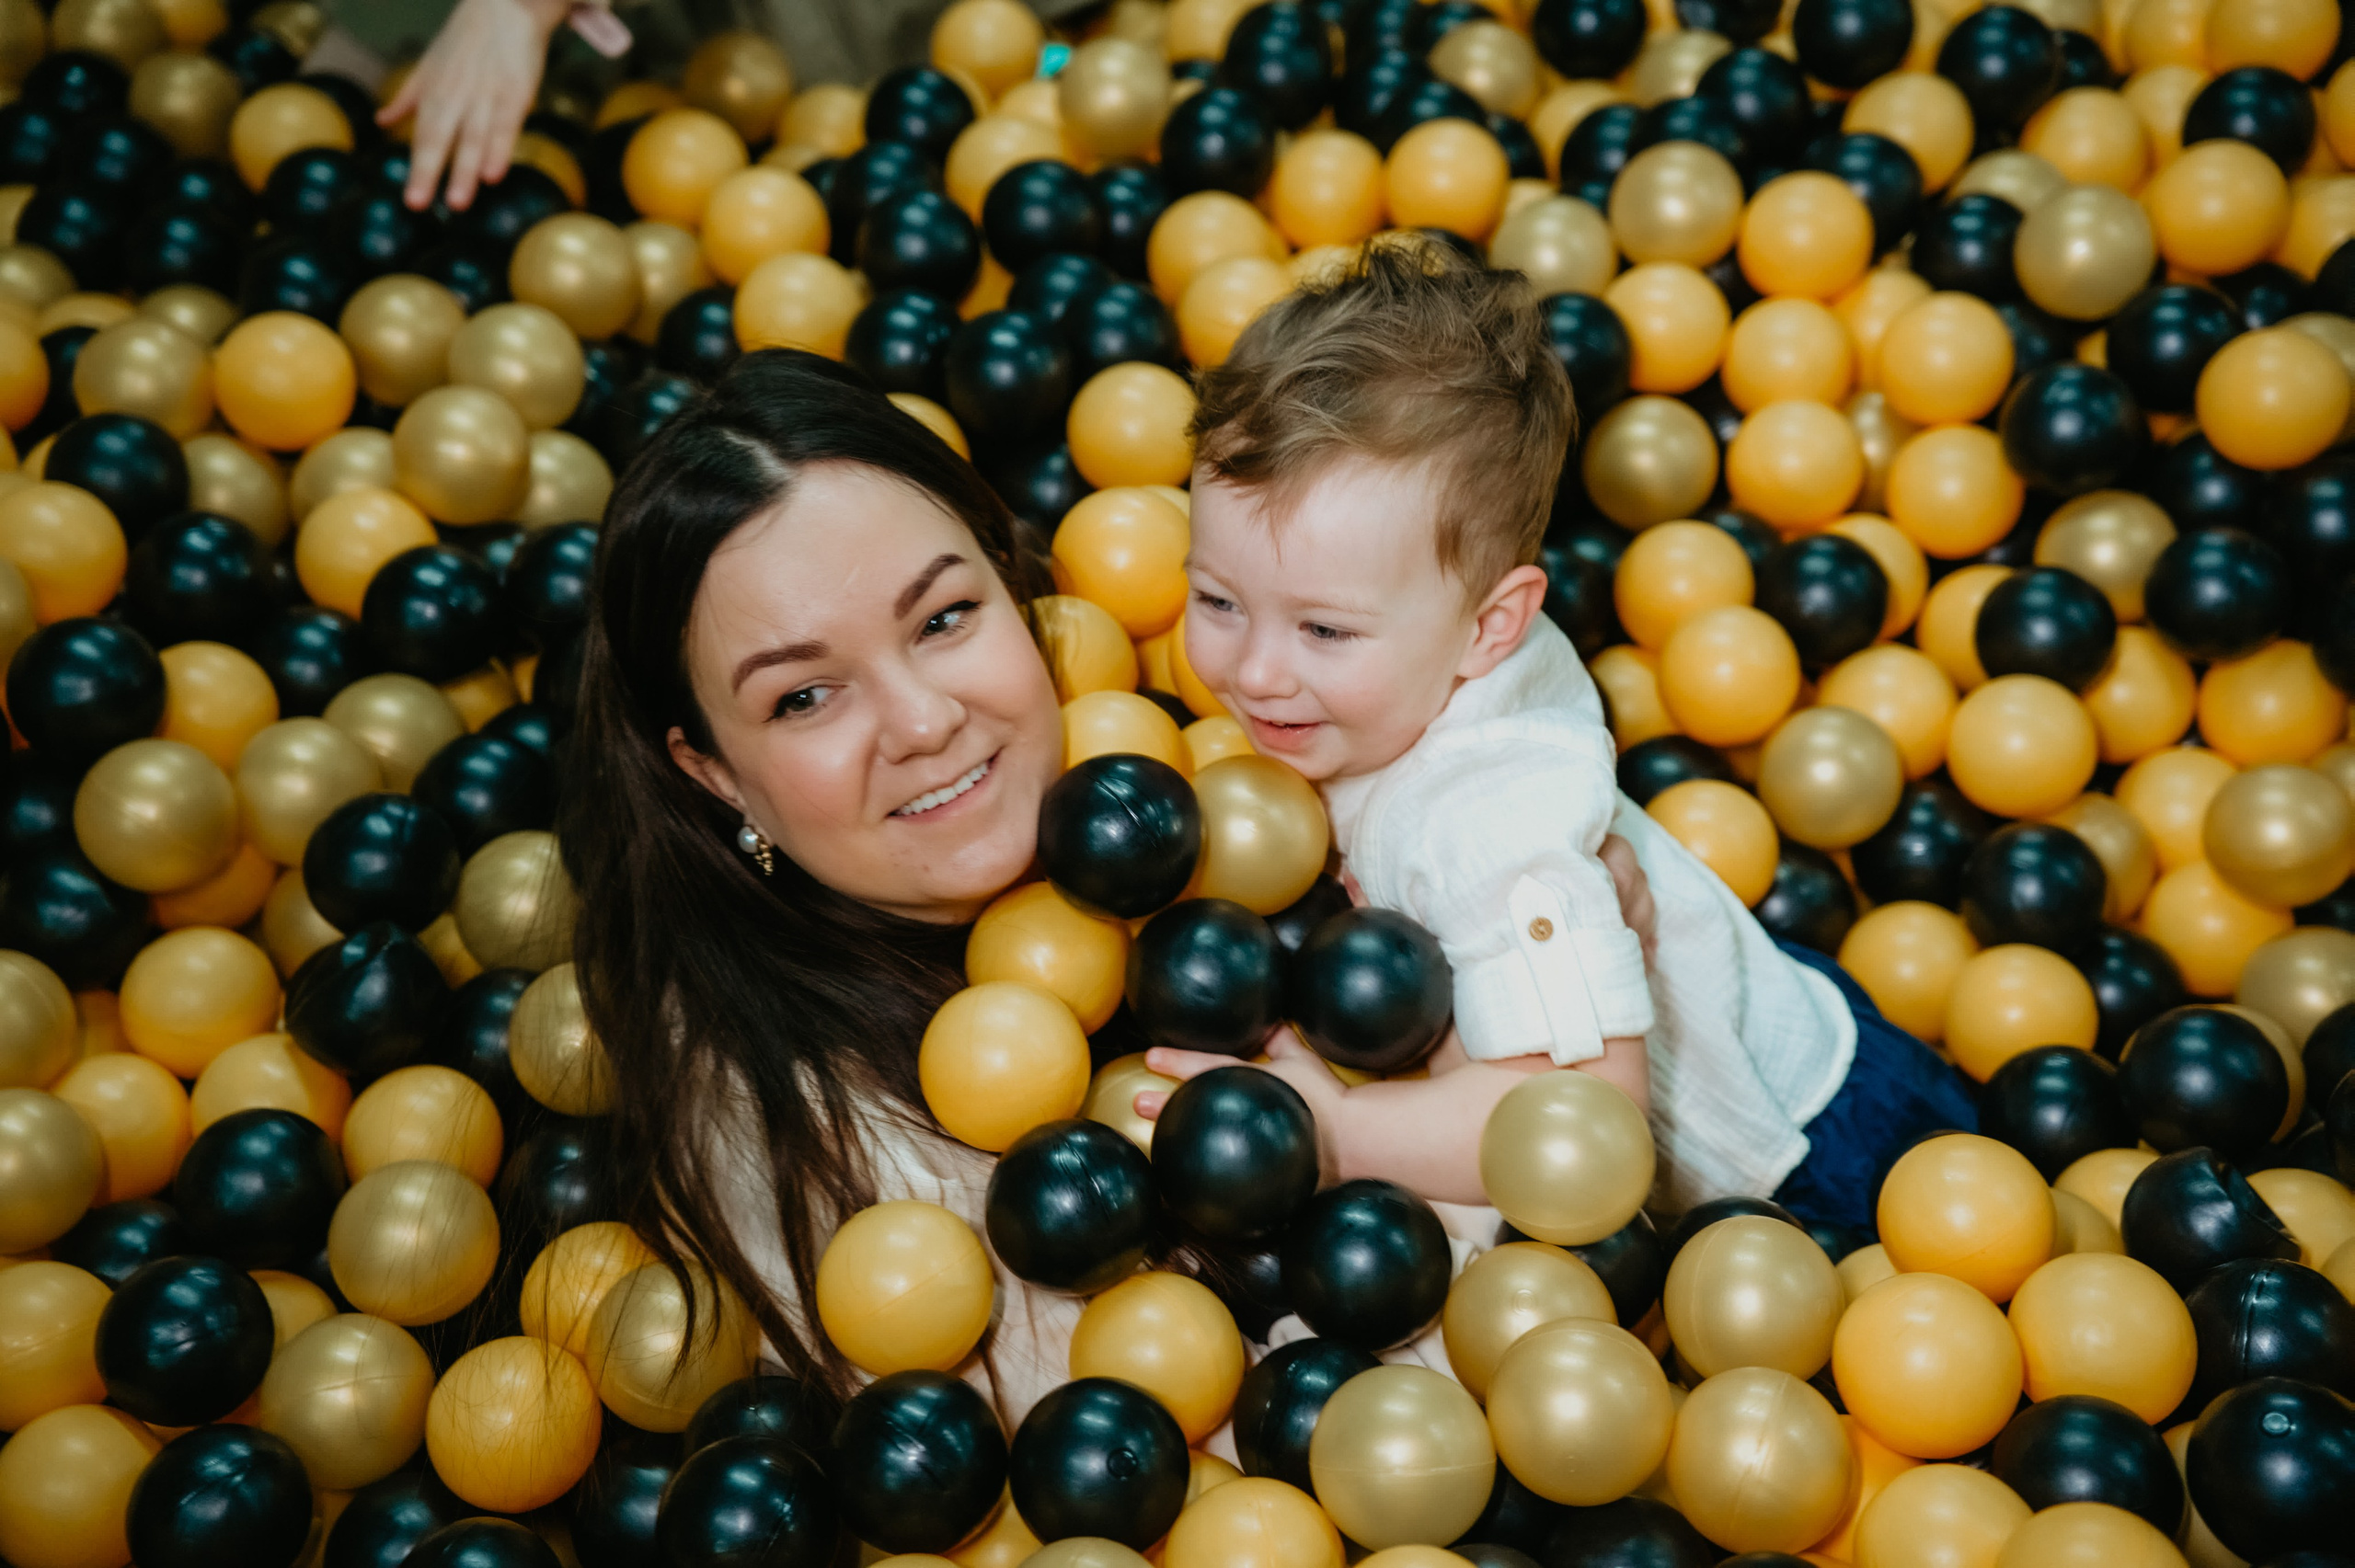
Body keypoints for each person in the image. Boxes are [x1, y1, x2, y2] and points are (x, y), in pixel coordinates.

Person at [564, 346, 1666, 1422]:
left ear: (1013, 582)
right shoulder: (815, 1140)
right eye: (805, 696)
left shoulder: (1220, 746)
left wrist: (1542, 909)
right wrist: (1468, 1070)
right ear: (713, 773)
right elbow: (1232, 1460)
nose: (924, 721)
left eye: (944, 619)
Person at [1140, 243, 1978, 1232]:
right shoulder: (1418, 642)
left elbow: (1588, 1117)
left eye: (1324, 629)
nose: (1256, 671)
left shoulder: (1485, 824)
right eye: (1217, 599)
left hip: (1816, 1155)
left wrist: (1339, 1134)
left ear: (1490, 627)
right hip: (1774, 998)